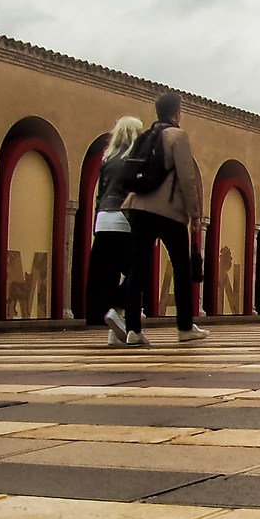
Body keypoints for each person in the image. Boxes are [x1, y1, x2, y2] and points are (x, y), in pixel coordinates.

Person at [122, 92, 208, 343]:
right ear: (177, 113)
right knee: (181, 268)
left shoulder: (146, 135)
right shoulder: (177, 136)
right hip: (169, 212)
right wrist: (195, 214)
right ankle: (184, 327)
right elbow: (187, 178)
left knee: (137, 268)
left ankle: (133, 330)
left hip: (139, 207)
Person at [89, 116, 147, 346]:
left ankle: (115, 333)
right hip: (124, 220)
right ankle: (120, 309)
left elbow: (99, 195)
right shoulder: (136, 160)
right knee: (136, 273)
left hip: (103, 220)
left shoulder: (107, 160)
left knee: (110, 275)